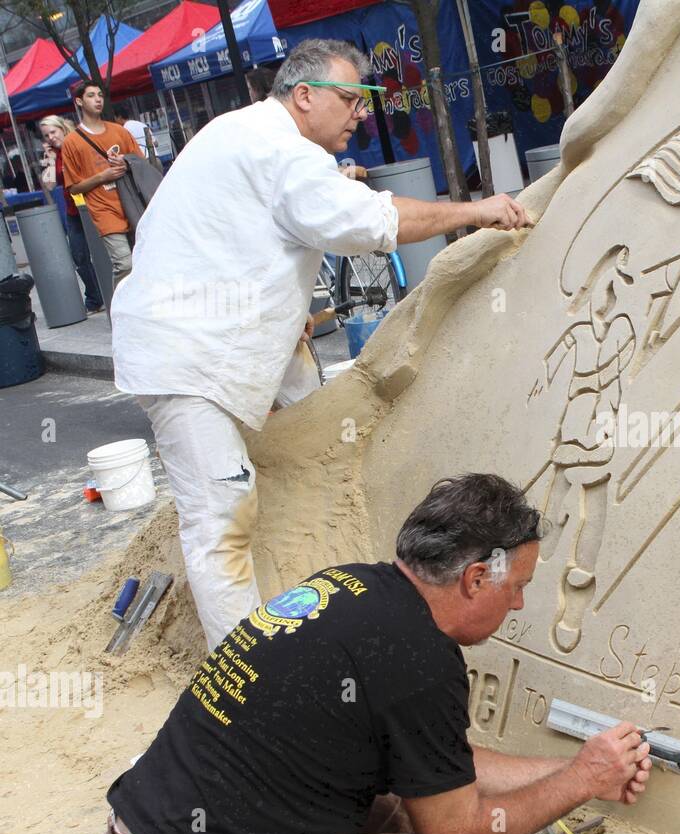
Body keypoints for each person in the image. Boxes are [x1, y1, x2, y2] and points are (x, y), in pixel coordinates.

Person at [110, 39, 533, 652]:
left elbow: (202, 233)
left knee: (309, 416)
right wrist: (475, 210)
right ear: (303, 96)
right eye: (348, 98)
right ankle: (243, 676)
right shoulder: (280, 148)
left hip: (201, 335)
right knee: (221, 513)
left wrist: (283, 314)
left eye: (365, 100)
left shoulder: (242, 134)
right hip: (187, 354)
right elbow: (369, 225)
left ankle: (306, 584)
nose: (360, 113)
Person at [100, 473, 654, 834]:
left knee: (410, 809)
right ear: (477, 578)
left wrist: (577, 767)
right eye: (518, 588)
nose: (518, 607)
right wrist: (582, 781)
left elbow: (442, 767)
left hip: (138, 830)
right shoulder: (419, 660)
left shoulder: (353, 586)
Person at [60, 80, 141, 287]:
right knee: (125, 263)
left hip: (131, 203)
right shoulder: (72, 142)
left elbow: (141, 164)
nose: (97, 99)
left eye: (100, 95)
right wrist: (102, 177)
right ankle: (121, 312)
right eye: (91, 95)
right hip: (104, 210)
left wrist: (125, 162)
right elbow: (73, 188)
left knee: (144, 262)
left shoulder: (120, 131)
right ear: (79, 101)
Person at [37, 116, 105, 313]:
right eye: (46, 135)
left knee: (103, 252)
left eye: (53, 132)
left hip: (93, 205)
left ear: (62, 128)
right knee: (79, 255)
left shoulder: (76, 143)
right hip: (73, 211)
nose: (50, 137)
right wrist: (48, 160)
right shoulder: (54, 155)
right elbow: (49, 184)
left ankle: (107, 293)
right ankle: (95, 297)